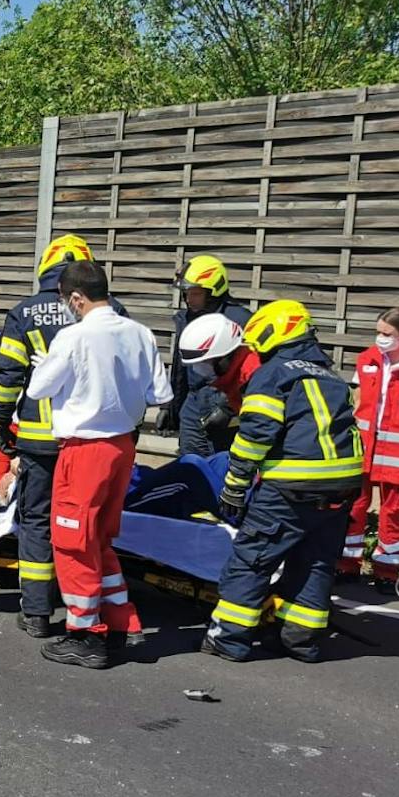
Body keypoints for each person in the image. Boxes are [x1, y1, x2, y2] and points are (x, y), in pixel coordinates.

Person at [25, 261, 173, 668]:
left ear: (76, 298)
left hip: (84, 450)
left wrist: (49, 367)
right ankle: (123, 622)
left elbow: (39, 389)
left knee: (72, 541)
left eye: (65, 300)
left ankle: (86, 633)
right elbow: (161, 393)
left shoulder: (73, 337)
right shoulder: (141, 333)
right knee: (100, 539)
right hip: (123, 448)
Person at [204, 301, 363, 663]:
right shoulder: (330, 375)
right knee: (316, 562)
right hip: (340, 490)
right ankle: (300, 640)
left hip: (291, 487)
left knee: (253, 558)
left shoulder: (273, 373)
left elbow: (255, 435)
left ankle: (228, 638)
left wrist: (234, 486)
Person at [0, 234, 127, 639]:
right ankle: (89, 610)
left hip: (39, 437)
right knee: (88, 524)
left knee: (36, 523)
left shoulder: (25, 312)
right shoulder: (112, 310)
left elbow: (9, 374)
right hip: (92, 439)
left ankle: (35, 612)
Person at [341, 307, 399, 592]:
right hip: (363, 447)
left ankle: (386, 571)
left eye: (387, 334)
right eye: (378, 331)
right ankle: (347, 564)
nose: (380, 338)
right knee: (355, 505)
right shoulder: (367, 361)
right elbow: (356, 402)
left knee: (393, 513)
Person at [161, 255, 250, 456]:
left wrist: (227, 409)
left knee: (221, 463)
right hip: (192, 403)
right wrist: (169, 407)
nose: (188, 300)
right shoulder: (188, 319)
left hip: (224, 402)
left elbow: (252, 372)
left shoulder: (239, 321)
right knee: (190, 463)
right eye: (186, 293)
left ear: (213, 292)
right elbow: (180, 369)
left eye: (195, 294)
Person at [176, 313, 261, 453]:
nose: (199, 370)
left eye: (204, 363)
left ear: (224, 357)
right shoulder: (231, 374)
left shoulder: (254, 377)